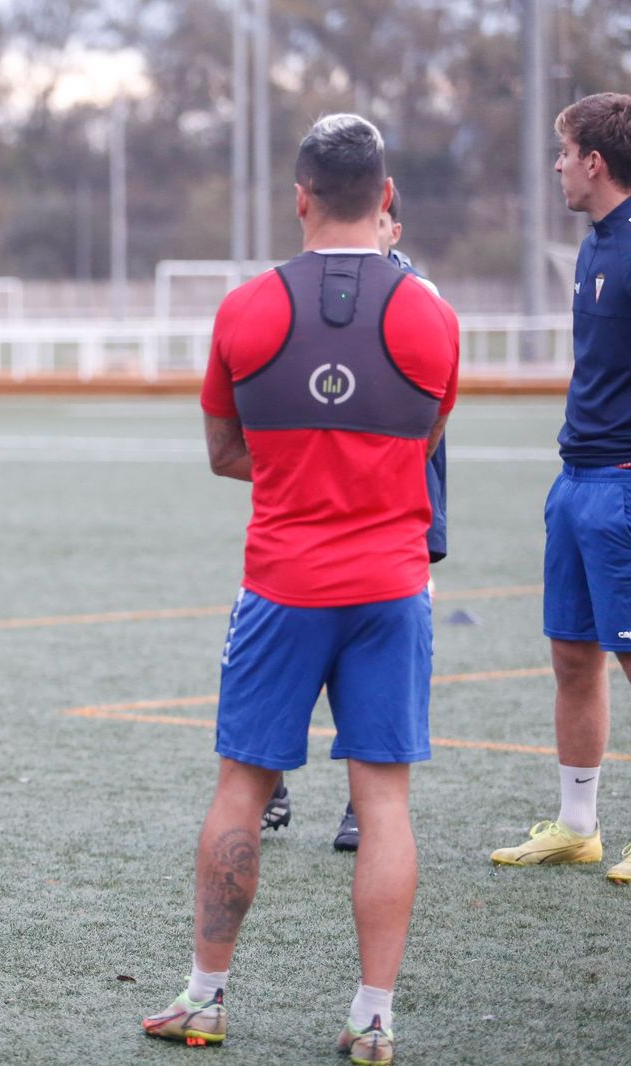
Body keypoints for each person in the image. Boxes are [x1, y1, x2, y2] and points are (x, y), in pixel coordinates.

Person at [141, 116, 458, 1064]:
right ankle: (372, 1018)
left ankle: (205, 1000)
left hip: (282, 586)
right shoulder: (431, 316)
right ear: (388, 196)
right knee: (386, 802)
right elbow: (426, 445)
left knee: (243, 786)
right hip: (393, 587)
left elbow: (222, 452)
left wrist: (295, 472)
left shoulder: (244, 310)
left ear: (300, 196)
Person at [262, 185, 451, 854]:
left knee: (373, 675)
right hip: (303, 528)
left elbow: (432, 431)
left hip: (397, 526)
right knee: (297, 650)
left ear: (391, 222)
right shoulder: (298, 296)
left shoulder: (420, 306)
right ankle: (272, 785)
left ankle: (352, 805)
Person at [490, 92, 631, 887]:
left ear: (594, 162)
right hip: (575, 479)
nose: (556, 167)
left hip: (622, 485)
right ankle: (578, 827)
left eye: (564, 151)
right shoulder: (593, 247)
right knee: (573, 657)